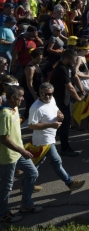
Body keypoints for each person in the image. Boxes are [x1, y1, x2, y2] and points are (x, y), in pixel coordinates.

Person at [28, 83, 86, 191]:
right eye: (44, 94)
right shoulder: (35, 108)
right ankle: (70, 182)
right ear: (39, 93)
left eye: (50, 94)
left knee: (37, 163)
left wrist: (60, 114)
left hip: (50, 137)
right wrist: (50, 125)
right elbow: (31, 125)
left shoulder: (52, 99)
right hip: (43, 140)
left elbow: (56, 108)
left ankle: (26, 184)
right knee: (56, 161)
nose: (47, 96)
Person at [0, 86, 42, 223]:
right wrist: (22, 151)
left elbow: (16, 124)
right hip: (8, 156)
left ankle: (25, 205)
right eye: (21, 96)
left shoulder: (15, 109)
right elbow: (3, 138)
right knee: (6, 186)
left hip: (18, 152)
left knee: (33, 173)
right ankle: (3, 214)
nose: (23, 99)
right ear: (12, 98)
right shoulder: (4, 114)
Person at [49, 49, 84, 157]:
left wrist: (82, 90)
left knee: (62, 124)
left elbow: (75, 77)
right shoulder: (61, 69)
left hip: (65, 99)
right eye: (73, 61)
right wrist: (78, 98)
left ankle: (58, 138)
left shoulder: (69, 66)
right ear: (66, 59)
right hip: (60, 100)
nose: (74, 63)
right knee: (65, 124)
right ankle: (65, 148)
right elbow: (70, 87)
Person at [20, 48, 44, 123]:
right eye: (37, 59)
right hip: (31, 93)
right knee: (27, 112)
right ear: (32, 57)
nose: (39, 60)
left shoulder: (37, 64)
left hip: (37, 91)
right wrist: (35, 96)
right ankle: (16, 124)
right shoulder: (30, 68)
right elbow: (29, 84)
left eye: (41, 59)